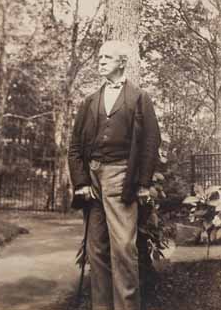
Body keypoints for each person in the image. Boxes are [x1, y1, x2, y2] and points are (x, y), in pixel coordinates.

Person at [68, 40, 161, 310]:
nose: (101, 61)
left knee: (123, 249)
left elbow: (150, 142)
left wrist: (143, 184)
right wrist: (81, 182)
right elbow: (74, 145)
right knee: (96, 250)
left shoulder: (138, 97)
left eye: (107, 57)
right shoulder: (90, 101)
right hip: (93, 179)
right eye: (99, 57)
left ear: (122, 62)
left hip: (122, 176)